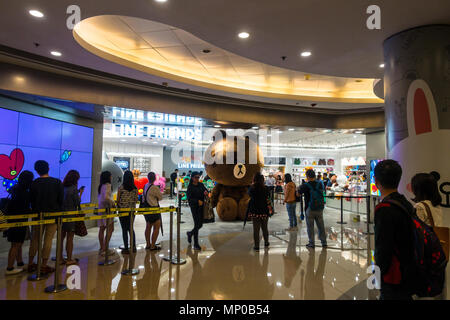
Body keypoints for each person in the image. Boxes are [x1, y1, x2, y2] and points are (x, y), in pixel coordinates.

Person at [373, 159, 416, 300]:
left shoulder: (384, 209)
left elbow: (383, 246)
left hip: (393, 274)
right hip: (408, 268)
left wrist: (379, 272)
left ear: (376, 181)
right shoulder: (405, 203)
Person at [28, 160, 64, 274]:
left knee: (35, 239)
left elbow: (32, 201)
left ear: (37, 170)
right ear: (48, 168)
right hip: (53, 216)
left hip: (38, 216)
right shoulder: (57, 182)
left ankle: (30, 263)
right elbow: (60, 200)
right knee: (48, 240)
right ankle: (43, 265)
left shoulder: (34, 183)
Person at [5, 171, 34, 275]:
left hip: (13, 220)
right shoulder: (24, 193)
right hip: (19, 221)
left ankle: (20, 263)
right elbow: (24, 208)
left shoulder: (15, 189)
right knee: (16, 244)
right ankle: (9, 268)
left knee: (17, 243)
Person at [297, 169, 327, 249]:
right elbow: (324, 192)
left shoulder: (306, 185)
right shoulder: (320, 183)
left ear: (307, 176)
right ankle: (324, 242)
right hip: (320, 208)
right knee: (321, 225)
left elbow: (297, 194)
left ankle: (311, 243)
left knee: (310, 227)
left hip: (310, 209)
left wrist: (299, 187)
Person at [60, 170, 83, 265]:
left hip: (61, 215)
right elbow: (77, 202)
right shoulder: (74, 188)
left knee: (61, 238)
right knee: (70, 238)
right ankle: (69, 259)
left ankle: (60, 258)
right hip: (71, 215)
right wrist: (80, 193)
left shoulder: (62, 187)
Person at [247, 172, 271, 251]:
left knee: (256, 230)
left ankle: (256, 246)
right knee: (265, 228)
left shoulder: (252, 188)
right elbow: (268, 197)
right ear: (262, 180)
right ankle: (266, 242)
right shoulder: (266, 188)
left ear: (254, 179)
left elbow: (249, 195)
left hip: (255, 211)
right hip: (264, 211)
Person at [117, 170, 139, 254]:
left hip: (123, 211)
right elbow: (136, 200)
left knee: (124, 229)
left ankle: (126, 248)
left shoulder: (121, 188)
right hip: (132, 212)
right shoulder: (135, 188)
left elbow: (118, 200)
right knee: (130, 228)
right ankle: (133, 247)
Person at [186, 171, 208, 251]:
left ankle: (190, 233)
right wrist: (197, 201)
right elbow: (189, 199)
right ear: (192, 178)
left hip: (201, 207)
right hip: (194, 207)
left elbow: (206, 191)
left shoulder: (201, 185)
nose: (197, 179)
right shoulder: (190, 187)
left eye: (198, 177)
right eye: (196, 177)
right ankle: (196, 244)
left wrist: (206, 192)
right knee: (197, 224)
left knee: (200, 224)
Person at [97, 171, 116, 256]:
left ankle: (102, 248)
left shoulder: (101, 186)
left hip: (101, 209)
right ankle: (105, 248)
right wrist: (113, 203)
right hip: (107, 209)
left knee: (102, 228)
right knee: (110, 228)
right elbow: (106, 197)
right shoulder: (108, 185)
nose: (111, 177)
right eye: (111, 176)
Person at [143, 172, 163, 250]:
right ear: (154, 178)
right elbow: (160, 197)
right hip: (154, 209)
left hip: (146, 209)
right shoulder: (154, 187)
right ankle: (153, 245)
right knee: (156, 227)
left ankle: (148, 244)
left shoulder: (145, 185)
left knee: (148, 226)